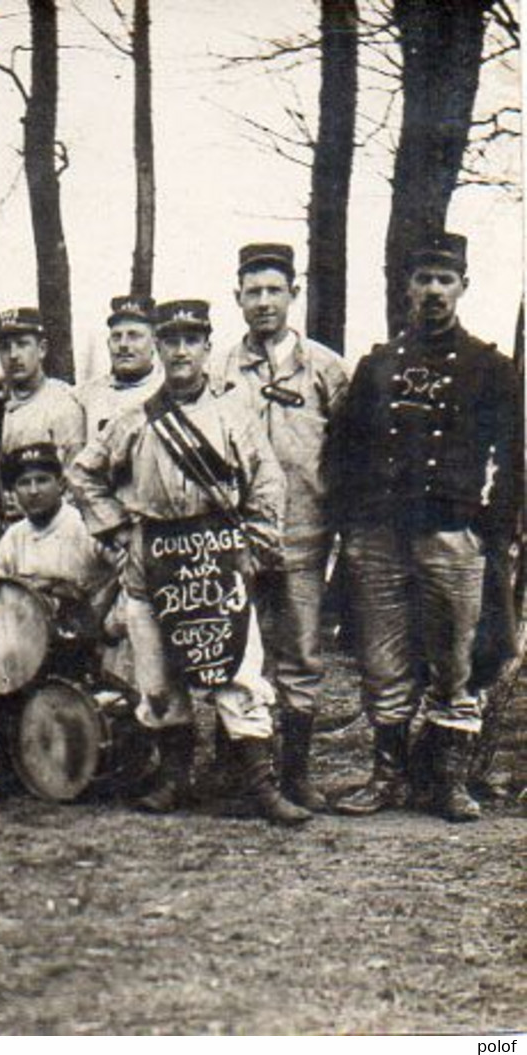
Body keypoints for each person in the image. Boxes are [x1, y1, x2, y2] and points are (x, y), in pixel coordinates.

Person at [67, 299, 309, 826]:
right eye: (171, 340)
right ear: (158, 346)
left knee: (238, 670)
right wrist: (117, 535)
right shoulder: (133, 420)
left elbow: (268, 482)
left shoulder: (232, 413)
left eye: (191, 341)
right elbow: (83, 475)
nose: (180, 351)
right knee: (156, 675)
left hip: (219, 558)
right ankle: (174, 778)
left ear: (205, 347)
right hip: (152, 561)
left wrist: (255, 546)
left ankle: (261, 787)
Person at [327, 232, 523, 822]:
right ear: (406, 287)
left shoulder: (491, 368)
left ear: (464, 286)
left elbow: (515, 456)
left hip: (451, 535)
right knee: (383, 660)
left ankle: (446, 781)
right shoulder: (377, 366)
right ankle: (384, 775)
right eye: (423, 279)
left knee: (456, 661)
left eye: (445, 279)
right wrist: (353, 523)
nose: (433, 291)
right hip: (380, 538)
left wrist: (490, 528)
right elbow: (344, 449)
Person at [215, 243, 348, 811]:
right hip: (236, 539)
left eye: (274, 290)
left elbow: (348, 453)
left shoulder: (325, 368)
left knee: (300, 651)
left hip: (303, 533)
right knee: (239, 650)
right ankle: (241, 772)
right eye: (253, 291)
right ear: (238, 297)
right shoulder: (220, 370)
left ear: (293, 293)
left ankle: (295, 773)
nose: (264, 301)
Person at [0, 442, 119, 680]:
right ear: (13, 492)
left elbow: (130, 572)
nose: (33, 490)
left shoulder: (86, 525)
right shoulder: (13, 538)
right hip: (34, 650)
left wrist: (109, 625)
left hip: (95, 649)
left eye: (42, 480)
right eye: (23, 483)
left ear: (60, 484)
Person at [0, 306, 86, 475]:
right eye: (4, 347)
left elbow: (75, 477)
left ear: (42, 349)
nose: (13, 355)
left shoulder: (62, 404)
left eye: (22, 344)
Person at [77, 295, 163, 441]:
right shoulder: (86, 396)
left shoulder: (164, 391)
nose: (123, 344)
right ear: (108, 343)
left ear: (155, 343)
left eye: (134, 336)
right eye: (116, 336)